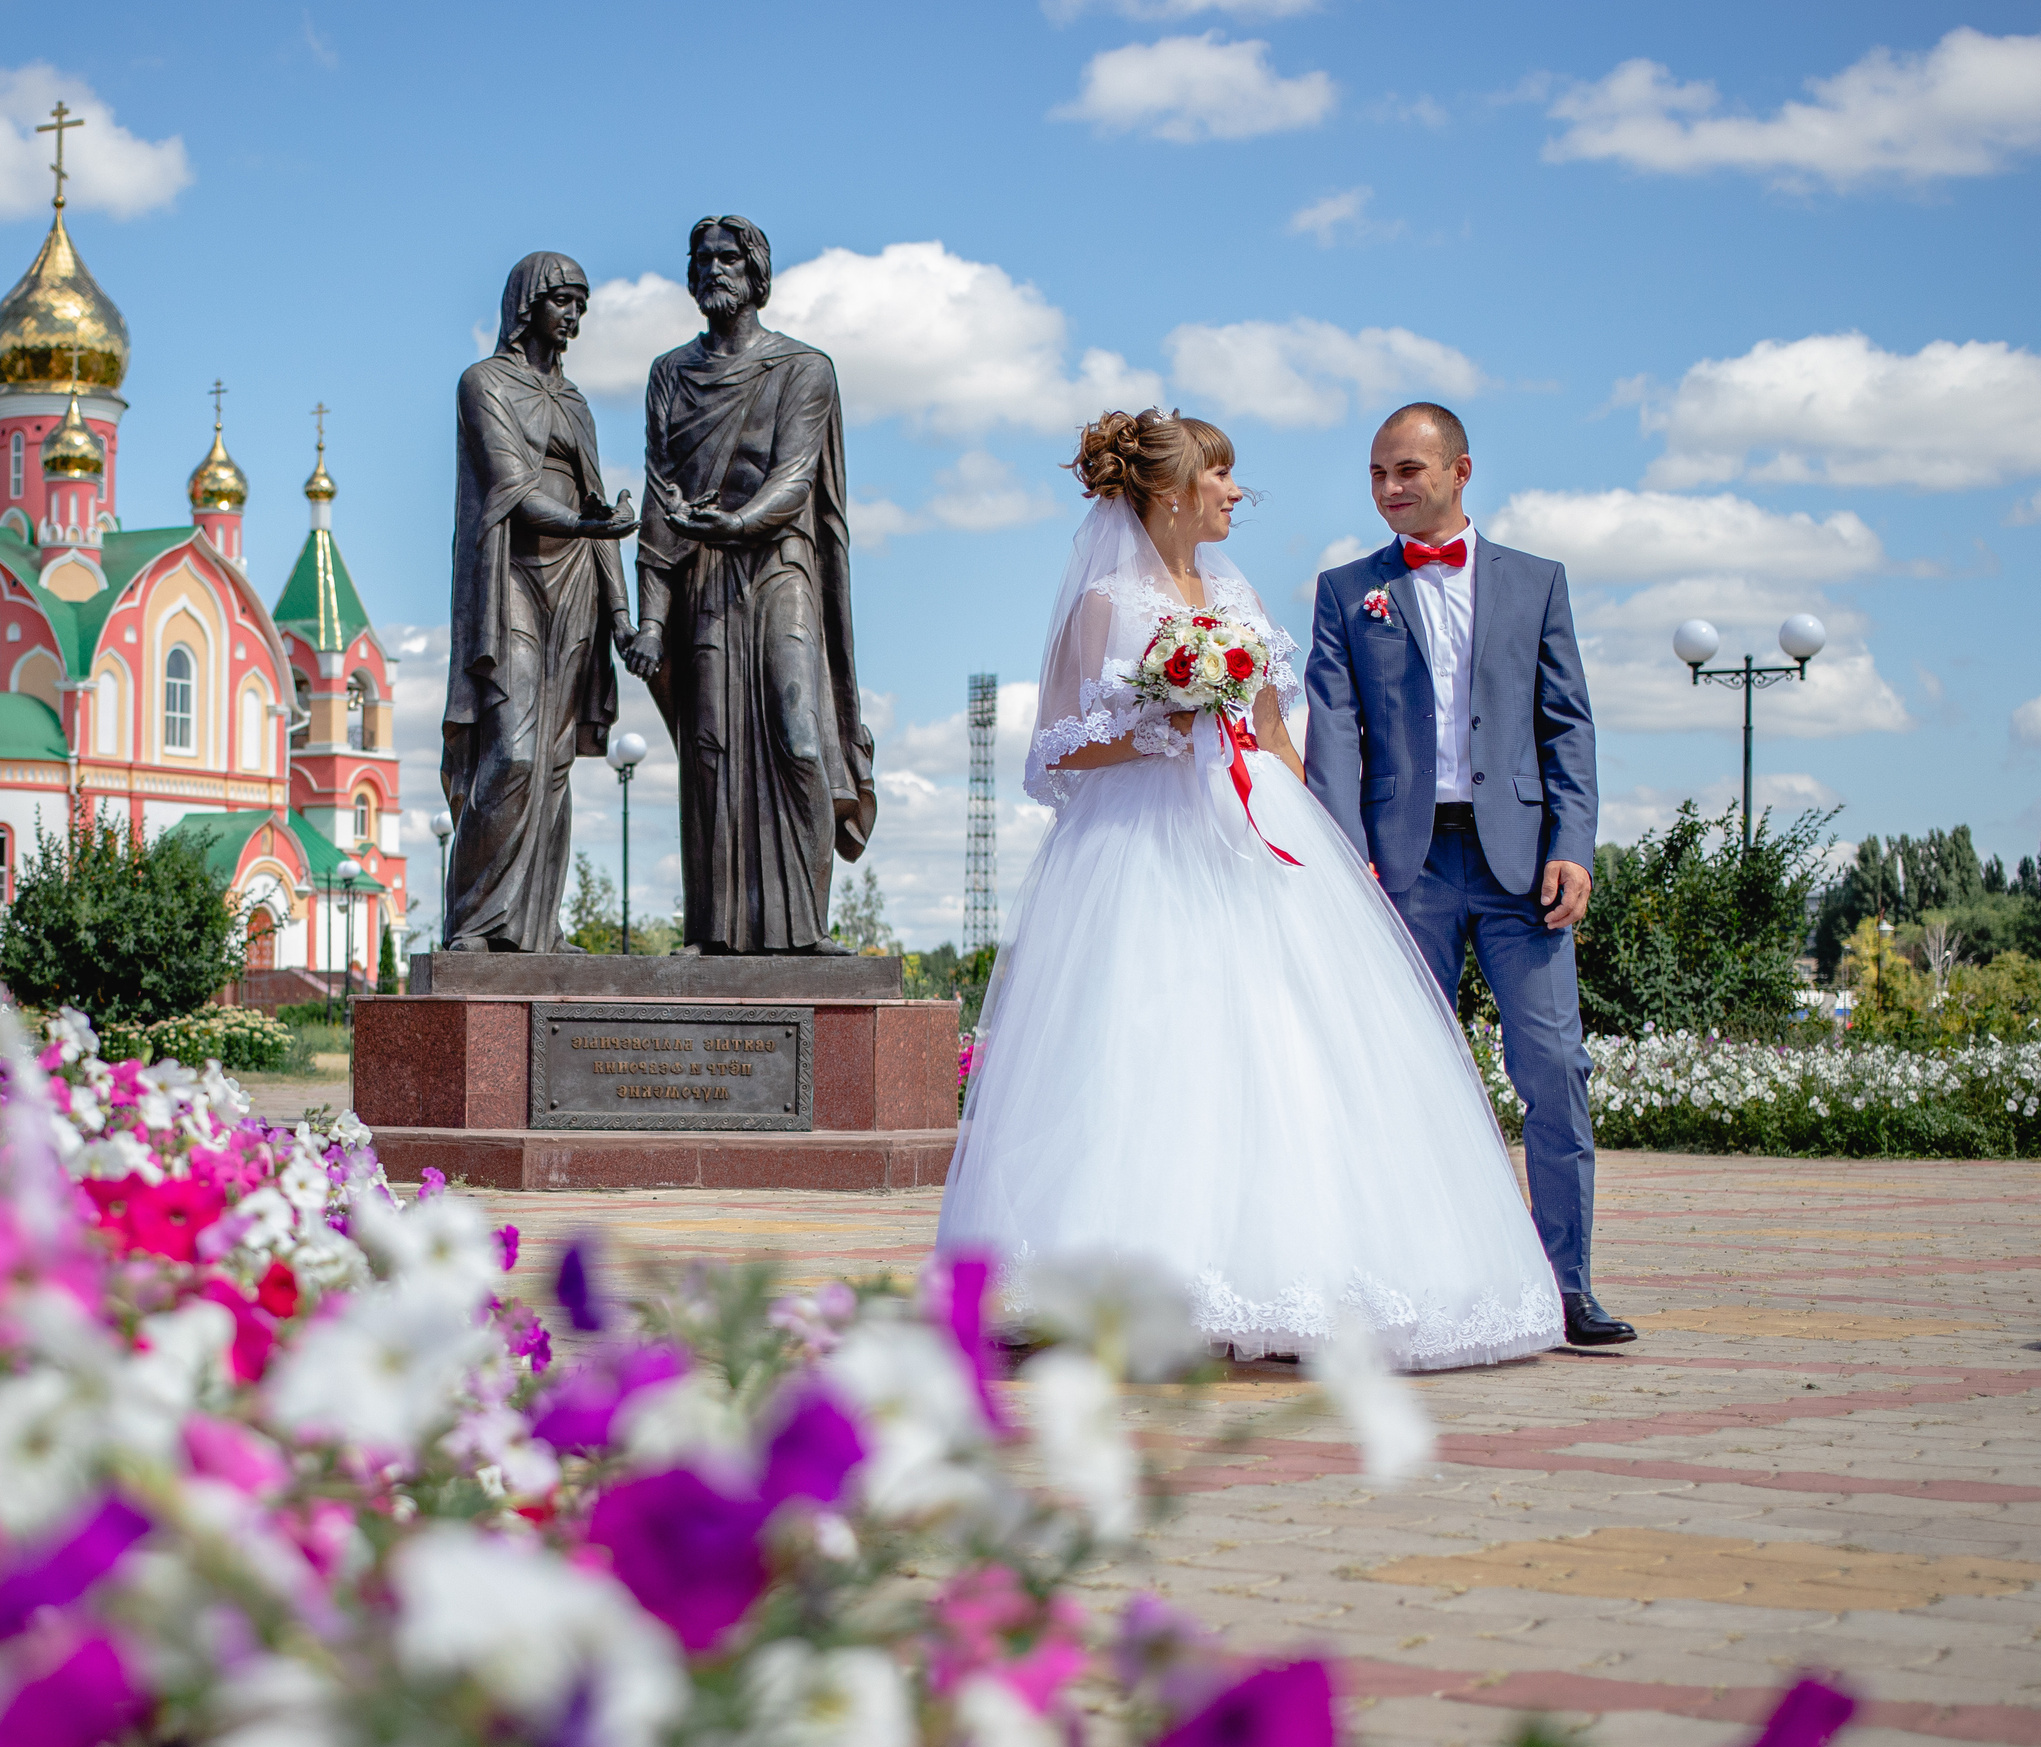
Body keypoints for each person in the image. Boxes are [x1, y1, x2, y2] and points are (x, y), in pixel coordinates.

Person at [936, 410, 1564, 1371]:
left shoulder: (1234, 591)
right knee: (1154, 1053)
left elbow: (1274, 733)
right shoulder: (1105, 603)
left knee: (1284, 1048)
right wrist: (1167, 725)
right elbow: (1055, 748)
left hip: (1254, 832)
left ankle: (1297, 1272)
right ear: (1175, 490)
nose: (1236, 494)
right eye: (1222, 478)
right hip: (1144, 847)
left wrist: (1319, 846)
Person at [1303, 403, 1635, 1349]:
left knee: (1555, 1071)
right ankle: (1412, 1283)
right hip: (1402, 869)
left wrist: (1574, 840)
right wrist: (1340, 853)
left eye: (1407, 470)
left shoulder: (1537, 583)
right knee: (1400, 1079)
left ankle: (1567, 1286)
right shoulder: (1345, 592)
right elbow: (1335, 732)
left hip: (1523, 868)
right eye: (1376, 474)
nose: (1390, 488)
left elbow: (1567, 723)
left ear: (1460, 471)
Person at [624, 216, 876, 954]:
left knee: (800, 739)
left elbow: (795, 480)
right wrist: (649, 620)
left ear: (757, 272)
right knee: (709, 754)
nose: (711, 270)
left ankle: (804, 930)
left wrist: (733, 527)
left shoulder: (803, 369)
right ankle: (713, 932)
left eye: (727, 259)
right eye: (699, 260)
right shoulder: (669, 373)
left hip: (777, 567)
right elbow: (658, 500)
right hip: (701, 578)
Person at [442, 251, 638, 951]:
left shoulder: (577, 403)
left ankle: (535, 931)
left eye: (583, 305)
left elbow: (600, 509)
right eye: (564, 302)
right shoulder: (484, 384)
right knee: (514, 754)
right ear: (529, 305)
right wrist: (593, 523)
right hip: (513, 583)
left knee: (554, 769)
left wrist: (623, 620)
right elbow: (511, 489)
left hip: (576, 586)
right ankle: (472, 921)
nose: (575, 317)